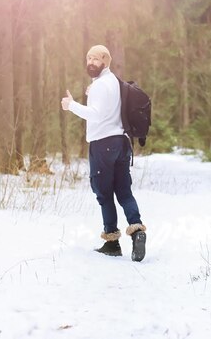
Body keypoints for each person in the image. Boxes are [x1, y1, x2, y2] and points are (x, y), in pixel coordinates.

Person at [61, 44, 146, 262]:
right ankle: (137, 232)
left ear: (105, 61)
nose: (90, 62)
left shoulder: (101, 86)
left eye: (96, 59)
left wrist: (71, 105)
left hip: (103, 144)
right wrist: (93, 90)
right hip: (122, 143)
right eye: (88, 58)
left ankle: (112, 242)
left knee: (104, 193)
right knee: (124, 192)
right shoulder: (115, 83)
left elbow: (97, 115)